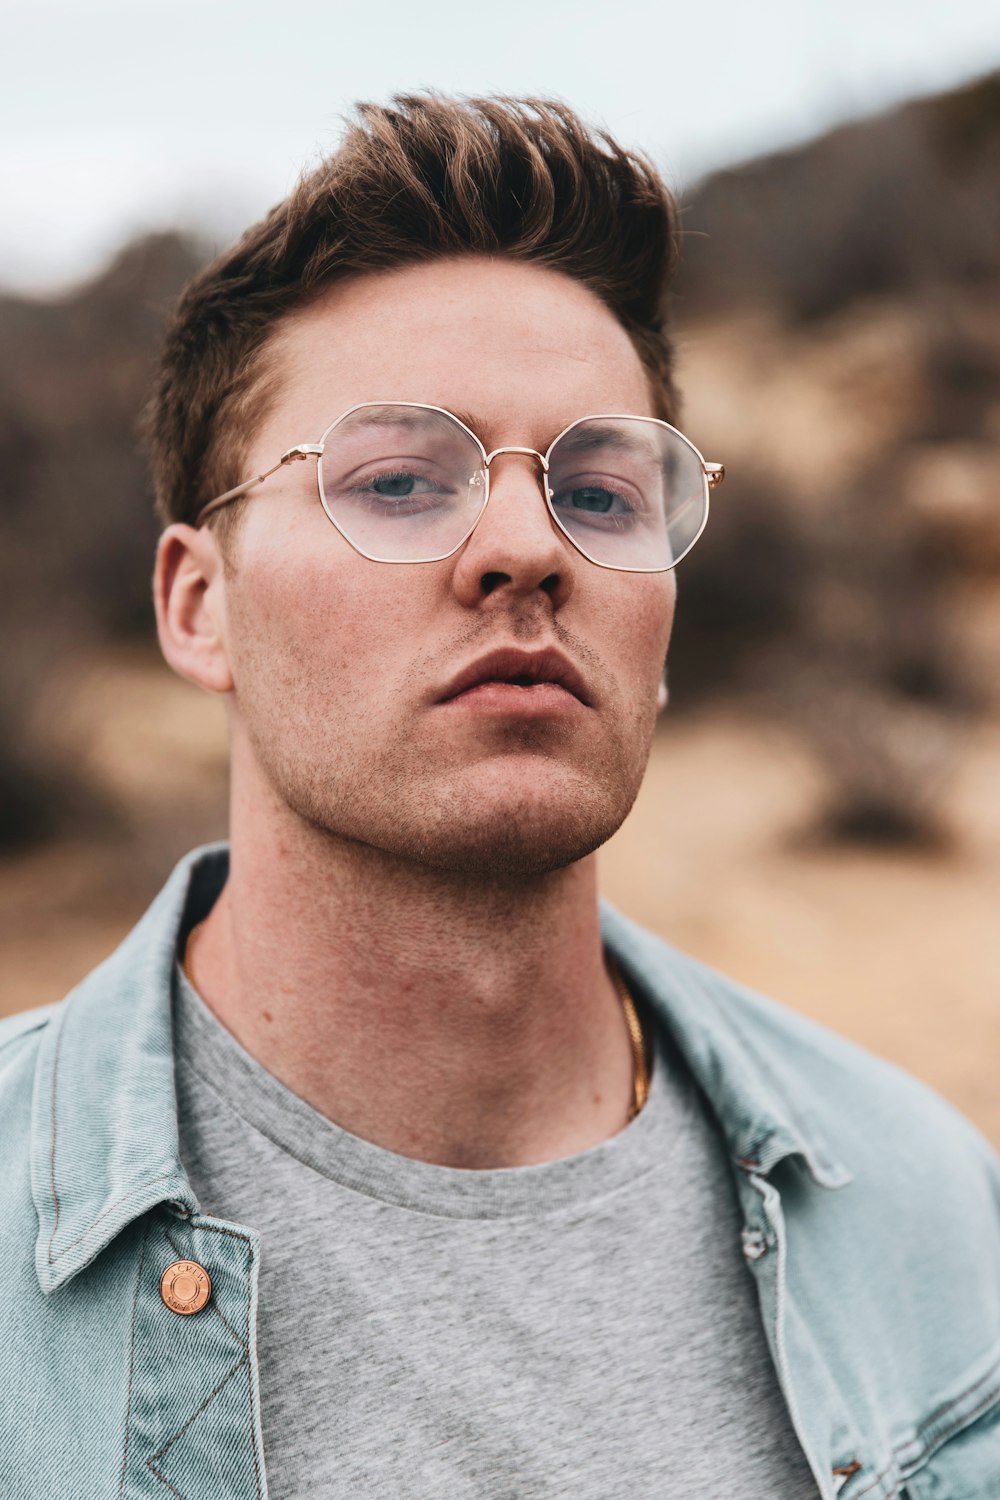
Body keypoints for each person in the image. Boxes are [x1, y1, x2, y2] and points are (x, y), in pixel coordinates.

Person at [1, 94, 998, 1500]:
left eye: (602, 492)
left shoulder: (923, 1205)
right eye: (401, 480)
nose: (527, 547)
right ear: (196, 606)